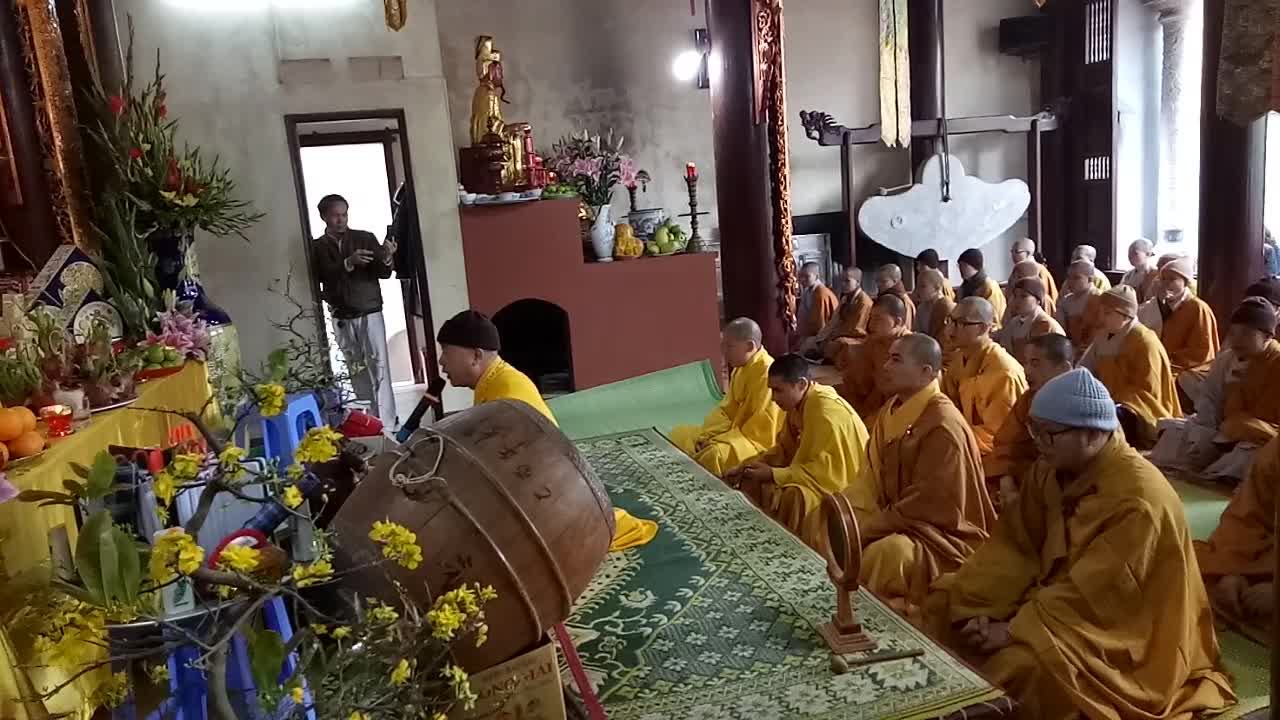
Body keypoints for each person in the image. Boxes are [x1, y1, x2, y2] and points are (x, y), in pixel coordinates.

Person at [927, 369, 1236, 720]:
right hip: (1050, 600)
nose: (1038, 443)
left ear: (1092, 433)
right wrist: (981, 605)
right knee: (944, 603)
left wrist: (1013, 628)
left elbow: (1099, 594)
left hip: (1126, 630)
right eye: (1035, 431)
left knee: (1021, 666)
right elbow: (1014, 545)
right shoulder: (1050, 468)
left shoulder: (1138, 499)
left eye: (1049, 434)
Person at [854, 333, 995, 616]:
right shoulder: (893, 408)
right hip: (894, 513)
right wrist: (854, 512)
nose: (885, 367)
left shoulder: (943, 425)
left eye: (896, 360)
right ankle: (848, 607)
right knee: (831, 518)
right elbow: (870, 473)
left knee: (888, 554)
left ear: (926, 372)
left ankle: (878, 623)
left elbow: (929, 502)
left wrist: (870, 528)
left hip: (939, 533)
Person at [725, 354, 871, 549]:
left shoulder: (825, 412)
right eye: (771, 391)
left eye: (778, 390)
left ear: (802, 384)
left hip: (846, 484)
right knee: (752, 478)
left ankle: (792, 552)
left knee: (795, 496)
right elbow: (784, 450)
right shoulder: (799, 405)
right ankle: (753, 541)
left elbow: (826, 474)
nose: (774, 399)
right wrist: (746, 466)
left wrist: (774, 474)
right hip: (815, 475)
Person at [312, 194, 398, 427]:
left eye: (344, 214)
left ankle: (388, 423)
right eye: (335, 215)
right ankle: (369, 422)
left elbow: (382, 272)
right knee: (355, 369)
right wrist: (348, 263)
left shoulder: (364, 238)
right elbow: (320, 276)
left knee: (379, 365)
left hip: (369, 310)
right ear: (324, 217)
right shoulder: (317, 247)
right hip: (340, 314)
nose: (341, 220)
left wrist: (388, 256)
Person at [671, 318, 783, 476]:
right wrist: (708, 435)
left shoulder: (766, 375)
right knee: (680, 434)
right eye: (724, 345)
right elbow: (726, 410)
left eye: (730, 346)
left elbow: (759, 430)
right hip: (731, 433)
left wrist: (719, 440)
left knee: (714, 455)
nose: (724, 351)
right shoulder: (740, 368)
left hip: (754, 441)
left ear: (750, 346)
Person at [1081, 285, 1181, 447]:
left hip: (1138, 407)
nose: (1101, 318)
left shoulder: (1144, 340)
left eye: (1107, 313)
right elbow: (1085, 368)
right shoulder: (1103, 336)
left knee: (1109, 419)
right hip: (1106, 398)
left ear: (1125, 314)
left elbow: (1149, 390)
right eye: (1101, 311)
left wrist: (1117, 400)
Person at [1197, 435, 1279, 630]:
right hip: (1266, 562)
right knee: (1182, 573)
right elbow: (1245, 520)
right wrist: (1232, 571)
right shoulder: (1275, 451)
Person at [985, 333, 1075, 504]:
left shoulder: (1082, 403)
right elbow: (1006, 443)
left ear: (1064, 368)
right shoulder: (1028, 400)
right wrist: (1007, 485)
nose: (1027, 370)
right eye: (1026, 362)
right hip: (1027, 478)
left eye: (1035, 363)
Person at [941, 298, 1028, 467]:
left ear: (983, 328)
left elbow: (999, 434)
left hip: (997, 459)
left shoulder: (1003, 372)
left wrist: (952, 439)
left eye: (960, 323)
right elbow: (946, 406)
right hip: (965, 443)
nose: (950, 329)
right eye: (950, 320)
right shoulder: (959, 360)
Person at [435, 310, 556, 423]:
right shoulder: (491, 383)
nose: (441, 361)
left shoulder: (507, 394)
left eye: (446, 352)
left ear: (477, 356)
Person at [1154, 257, 1220, 404]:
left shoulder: (1198, 308)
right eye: (1163, 279)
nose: (1166, 284)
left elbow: (1203, 351)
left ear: (1185, 282)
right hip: (1166, 360)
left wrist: (1169, 360)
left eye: (1172, 279)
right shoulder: (1161, 305)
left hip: (1190, 366)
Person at [838, 294, 912, 419]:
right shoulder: (874, 342)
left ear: (897, 322)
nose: (871, 324)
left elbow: (906, 393)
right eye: (870, 318)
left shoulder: (911, 347)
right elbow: (857, 379)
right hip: (874, 402)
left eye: (878, 319)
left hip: (899, 409)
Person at [802, 267, 872, 362]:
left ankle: (825, 358)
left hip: (856, 337)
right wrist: (820, 338)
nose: (843, 284)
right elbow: (833, 322)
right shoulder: (844, 299)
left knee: (837, 343)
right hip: (839, 334)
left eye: (847, 281)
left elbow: (857, 329)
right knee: (810, 342)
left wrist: (834, 336)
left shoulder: (864, 302)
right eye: (841, 281)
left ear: (858, 282)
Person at [994, 277, 1065, 365]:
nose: (1017, 301)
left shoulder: (1045, 325)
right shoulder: (1014, 323)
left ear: (1038, 300)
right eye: (1015, 296)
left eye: (1024, 296)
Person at [1055, 259, 1105, 356]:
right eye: (1068, 277)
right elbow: (1060, 331)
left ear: (1090, 279)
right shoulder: (1065, 301)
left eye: (1076, 278)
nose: (1070, 281)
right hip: (1070, 351)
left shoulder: (1100, 299)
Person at [956, 249, 1006, 325]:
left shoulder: (990, 286)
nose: (961, 269)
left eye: (964, 265)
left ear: (975, 266)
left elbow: (995, 317)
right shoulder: (963, 287)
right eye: (959, 265)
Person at [1007, 238, 1058, 309]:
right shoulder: (1016, 270)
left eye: (1016, 251)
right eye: (1012, 251)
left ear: (1028, 253)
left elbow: (1045, 297)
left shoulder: (1041, 271)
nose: (1013, 255)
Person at [796, 261, 839, 347]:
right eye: (801, 276)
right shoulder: (808, 291)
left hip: (821, 336)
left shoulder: (821, 293)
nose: (802, 280)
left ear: (817, 276)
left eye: (807, 276)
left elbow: (821, 323)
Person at [913, 267, 955, 341]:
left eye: (923, 286)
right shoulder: (921, 308)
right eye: (917, 286)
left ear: (937, 287)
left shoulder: (947, 307)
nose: (918, 290)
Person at [875, 263, 917, 330]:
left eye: (883, 281)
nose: (878, 285)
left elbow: (906, 328)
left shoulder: (903, 301)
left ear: (895, 281)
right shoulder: (883, 298)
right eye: (877, 281)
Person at [1120, 238, 1160, 304]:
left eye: (1135, 253)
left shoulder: (1156, 275)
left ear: (1148, 254)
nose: (1130, 256)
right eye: (1129, 253)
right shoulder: (1127, 275)